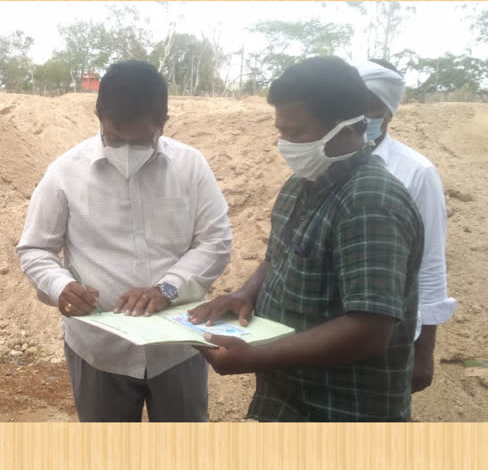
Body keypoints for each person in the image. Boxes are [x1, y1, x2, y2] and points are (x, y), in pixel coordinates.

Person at [189, 56, 424, 422]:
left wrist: (254, 357)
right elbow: (279, 257)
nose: (284, 144)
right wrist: (245, 294)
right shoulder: (304, 183)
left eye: (296, 133)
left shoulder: (369, 203)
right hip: (288, 399)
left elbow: (369, 330)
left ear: (347, 128)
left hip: (344, 410)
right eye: (281, 130)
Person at [16, 60, 232, 422]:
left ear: (163, 119)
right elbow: (35, 248)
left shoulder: (191, 166)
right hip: (99, 350)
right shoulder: (65, 171)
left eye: (140, 141)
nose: (127, 151)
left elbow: (216, 241)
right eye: (116, 139)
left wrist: (168, 288)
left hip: (176, 347)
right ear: (98, 113)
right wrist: (60, 287)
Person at [357, 58, 457, 393]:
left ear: (389, 111)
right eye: (355, 103)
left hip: (392, 331)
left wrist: (425, 349)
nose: (362, 114)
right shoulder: (324, 161)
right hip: (329, 328)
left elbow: (430, 261)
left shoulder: (416, 171)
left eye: (372, 106)